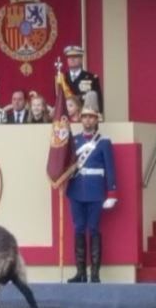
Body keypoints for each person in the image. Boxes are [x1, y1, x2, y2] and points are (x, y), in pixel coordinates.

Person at [58, 107, 117, 284]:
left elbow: (110, 169)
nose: (88, 120)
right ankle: (80, 272)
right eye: (85, 117)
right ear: (81, 119)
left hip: (95, 190)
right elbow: (66, 164)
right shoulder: (73, 141)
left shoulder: (104, 142)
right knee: (78, 229)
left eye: (91, 117)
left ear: (96, 120)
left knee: (94, 229)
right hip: (76, 190)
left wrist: (112, 192)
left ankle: (95, 274)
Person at [61, 46, 102, 113]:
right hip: (66, 116)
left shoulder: (91, 78)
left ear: (81, 59)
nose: (72, 59)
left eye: (75, 57)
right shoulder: (61, 78)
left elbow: (98, 101)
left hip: (86, 116)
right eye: (70, 57)